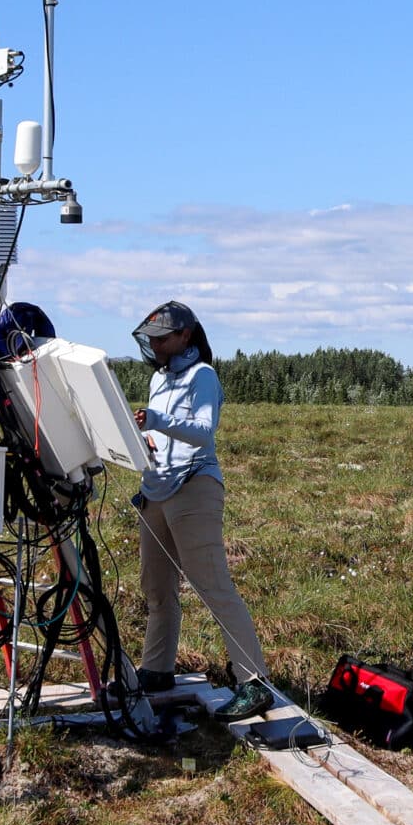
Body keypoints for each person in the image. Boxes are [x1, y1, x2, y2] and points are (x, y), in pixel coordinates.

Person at [130, 300, 274, 723]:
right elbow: (163, 433)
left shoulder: (202, 376)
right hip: (155, 489)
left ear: (186, 336)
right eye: (151, 338)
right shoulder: (159, 378)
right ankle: (157, 669)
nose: (155, 345)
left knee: (212, 585)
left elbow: (203, 431)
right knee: (156, 586)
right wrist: (145, 438)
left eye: (163, 338)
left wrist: (157, 419)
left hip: (194, 487)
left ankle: (254, 682)